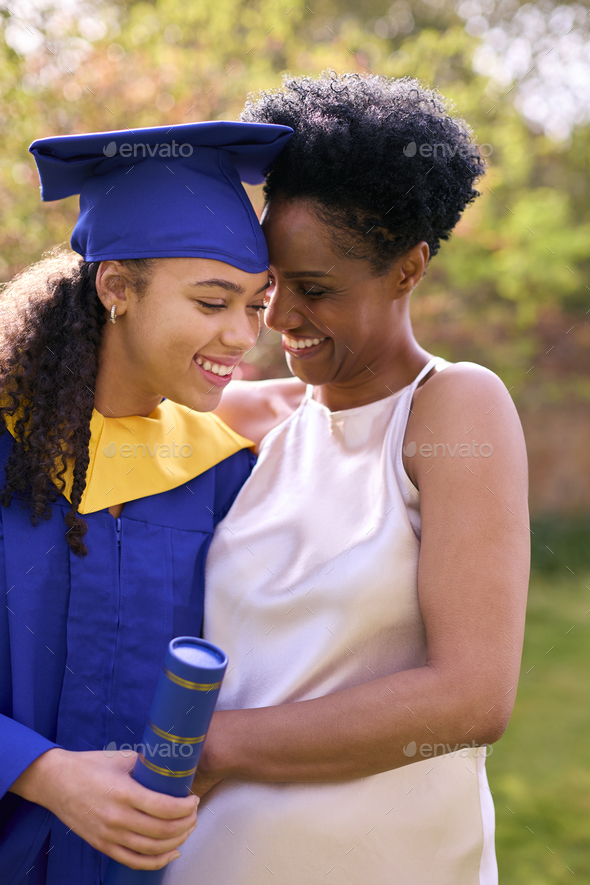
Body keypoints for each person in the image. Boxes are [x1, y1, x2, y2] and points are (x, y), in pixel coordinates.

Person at [163, 74, 530, 885]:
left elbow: (470, 697)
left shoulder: (450, 410)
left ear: (408, 268)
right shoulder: (242, 420)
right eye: (271, 283)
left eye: (317, 289)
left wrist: (206, 747)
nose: (281, 317)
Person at [0, 119, 292, 885]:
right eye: (211, 301)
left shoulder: (219, 474)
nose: (241, 335)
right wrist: (41, 771)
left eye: (256, 305)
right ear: (116, 287)